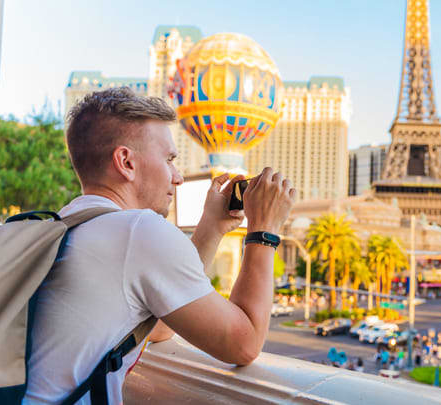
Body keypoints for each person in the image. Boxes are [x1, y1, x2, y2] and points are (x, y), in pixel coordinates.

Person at [24, 88, 296, 404]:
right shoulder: (139, 230)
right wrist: (263, 231)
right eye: (169, 159)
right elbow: (243, 343)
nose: (177, 177)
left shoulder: (66, 222)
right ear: (126, 161)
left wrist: (211, 228)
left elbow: (157, 327)